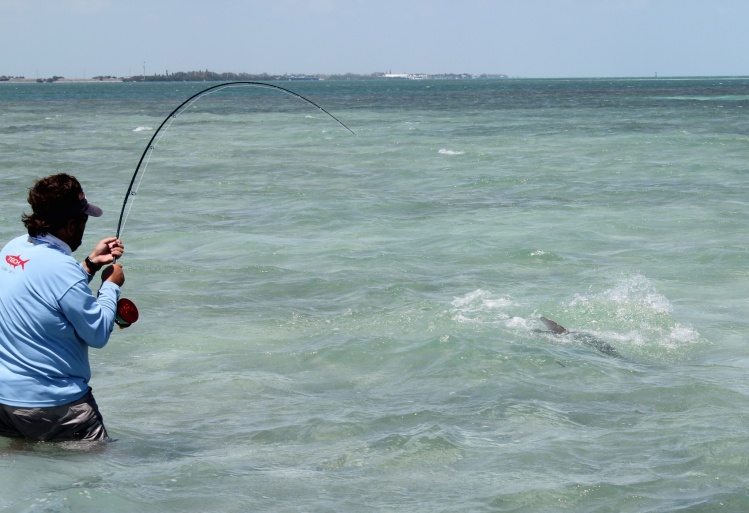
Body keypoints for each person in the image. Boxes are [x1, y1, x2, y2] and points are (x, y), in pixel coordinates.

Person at [0, 173, 125, 442]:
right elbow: (98, 333)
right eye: (83, 220)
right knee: (94, 474)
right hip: (56, 406)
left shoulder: (13, 248)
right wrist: (111, 286)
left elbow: (48, 292)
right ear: (70, 224)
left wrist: (90, 265)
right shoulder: (62, 269)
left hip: (6, 402)